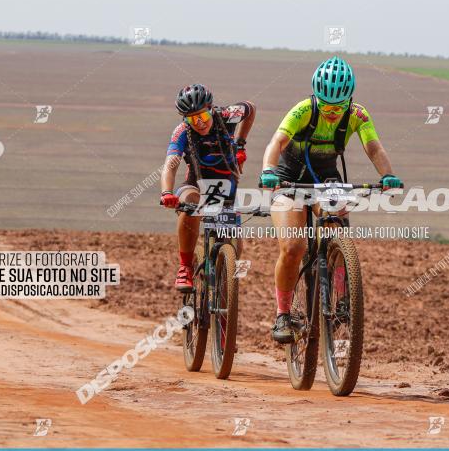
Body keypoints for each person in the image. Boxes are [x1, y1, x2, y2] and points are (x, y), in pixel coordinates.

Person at [258, 57, 402, 343]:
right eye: (326, 106)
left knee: (336, 227)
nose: (333, 112)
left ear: (350, 98)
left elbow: (373, 147)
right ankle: (283, 314)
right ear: (316, 97)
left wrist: (387, 175)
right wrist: (267, 171)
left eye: (339, 106)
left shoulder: (358, 114)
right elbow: (276, 143)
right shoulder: (303, 110)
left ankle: (342, 294)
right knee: (294, 246)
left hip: (326, 178)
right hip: (289, 178)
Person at [160, 84, 255, 292]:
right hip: (195, 185)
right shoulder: (182, 131)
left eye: (202, 115)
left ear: (211, 108)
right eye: (192, 119)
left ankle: (224, 298)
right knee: (190, 205)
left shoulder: (229, 115)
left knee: (235, 249)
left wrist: (240, 143)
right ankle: (185, 267)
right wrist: (167, 192)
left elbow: (251, 108)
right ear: (185, 119)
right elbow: (171, 164)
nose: (200, 122)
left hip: (227, 189)